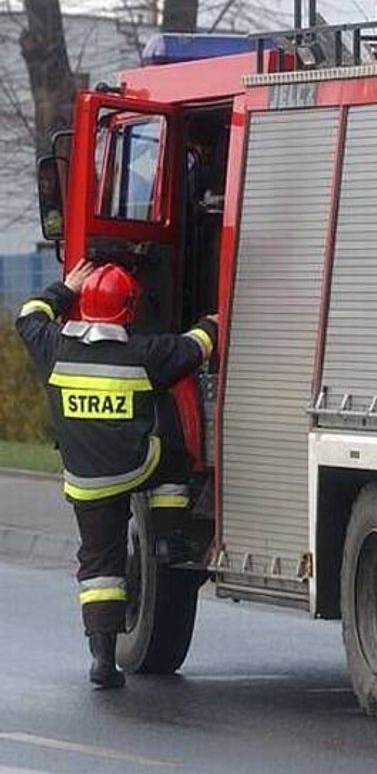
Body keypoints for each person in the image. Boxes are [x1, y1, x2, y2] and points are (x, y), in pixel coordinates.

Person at [15, 259, 217, 690]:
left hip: (86, 481)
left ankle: (103, 660)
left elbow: (28, 315)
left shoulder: (53, 347)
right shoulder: (143, 354)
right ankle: (167, 538)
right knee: (176, 456)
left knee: (99, 567)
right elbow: (195, 346)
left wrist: (64, 289)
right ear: (128, 308)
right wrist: (215, 319)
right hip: (137, 468)